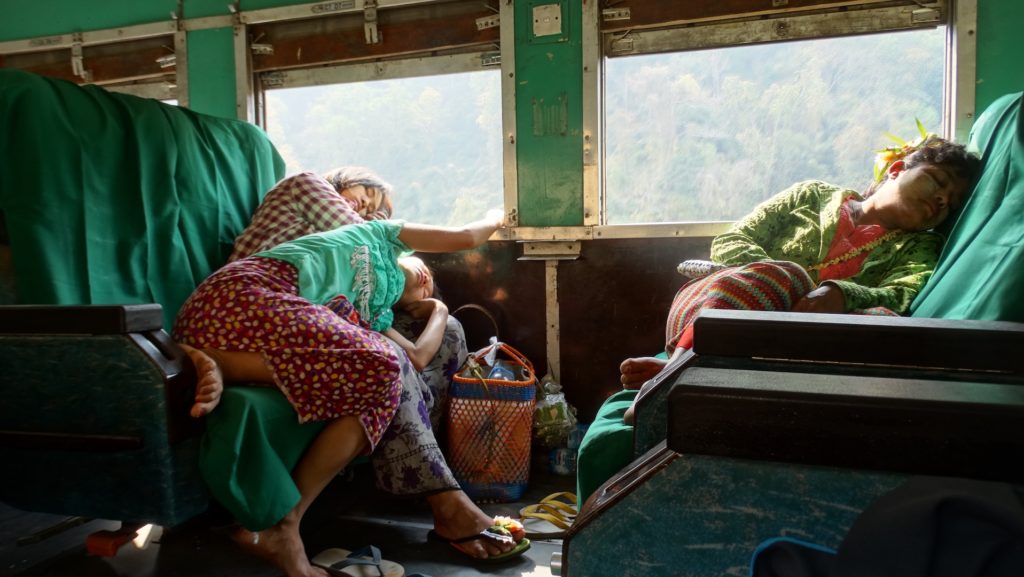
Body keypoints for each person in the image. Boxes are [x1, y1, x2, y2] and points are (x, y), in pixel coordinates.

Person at [578, 134, 982, 507]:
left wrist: (842, 294)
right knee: (782, 274)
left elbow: (901, 293)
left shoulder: (921, 246)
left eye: (952, 201)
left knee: (882, 318)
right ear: (898, 169)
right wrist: (789, 284)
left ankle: (677, 374)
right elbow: (734, 239)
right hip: (727, 306)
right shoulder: (812, 195)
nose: (941, 201)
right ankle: (682, 371)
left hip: (806, 342)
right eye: (936, 181)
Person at [173, 214, 518, 577]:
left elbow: (415, 358)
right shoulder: (377, 234)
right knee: (383, 365)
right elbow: (465, 235)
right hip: (240, 296)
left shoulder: (372, 318)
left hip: (253, 332)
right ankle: (218, 363)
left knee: (382, 380)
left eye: (427, 289)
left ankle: (284, 522)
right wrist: (501, 214)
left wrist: (440, 309)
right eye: (422, 268)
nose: (426, 279)